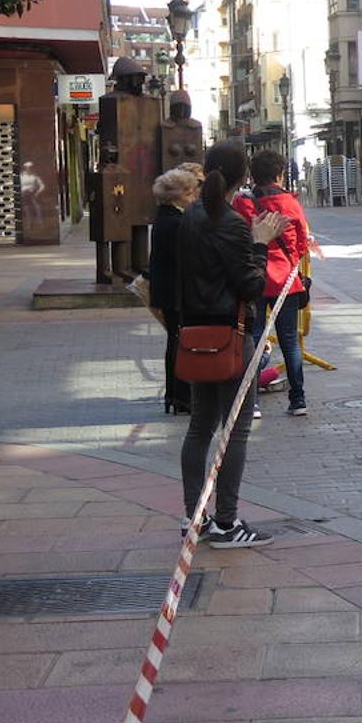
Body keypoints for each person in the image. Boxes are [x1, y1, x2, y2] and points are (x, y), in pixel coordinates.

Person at [177, 141, 288, 547]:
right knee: (235, 431)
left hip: (194, 333)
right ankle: (227, 522)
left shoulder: (190, 217)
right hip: (231, 335)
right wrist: (261, 241)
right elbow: (252, 285)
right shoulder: (232, 224)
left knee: (200, 427)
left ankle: (194, 517)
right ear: (242, 177)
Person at [236, 149, 312, 417]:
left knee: (254, 339)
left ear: (253, 176)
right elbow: (303, 242)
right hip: (286, 283)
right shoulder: (291, 205)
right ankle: (298, 399)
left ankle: (252, 401)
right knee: (289, 340)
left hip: (255, 280)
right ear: (279, 175)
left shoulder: (243, 205)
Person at [149, 167, 201, 415]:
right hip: (175, 292)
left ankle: (176, 394)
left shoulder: (166, 218)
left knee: (176, 340)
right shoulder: (174, 222)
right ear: (177, 196)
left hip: (169, 290)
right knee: (180, 342)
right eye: (190, 193)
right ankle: (181, 395)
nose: (194, 197)